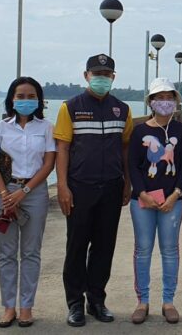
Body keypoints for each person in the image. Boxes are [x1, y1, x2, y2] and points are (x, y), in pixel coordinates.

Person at [54, 53, 134, 327]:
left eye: (106, 74)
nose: (101, 78)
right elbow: (62, 148)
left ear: (113, 77)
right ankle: (74, 303)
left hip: (111, 186)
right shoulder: (71, 107)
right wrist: (62, 186)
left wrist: (127, 181)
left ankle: (96, 300)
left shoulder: (122, 109)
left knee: (104, 247)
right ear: (86, 76)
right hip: (79, 187)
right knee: (76, 246)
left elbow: (125, 147)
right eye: (96, 73)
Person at [0, 76, 56, 328]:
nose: (26, 101)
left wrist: (24, 190)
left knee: (30, 252)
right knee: (6, 253)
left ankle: (26, 307)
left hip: (33, 192)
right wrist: (5, 194)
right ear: (12, 99)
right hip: (4, 191)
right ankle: (8, 307)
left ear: (39, 100)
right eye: (20, 96)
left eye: (31, 96)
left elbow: (49, 163)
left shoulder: (46, 127)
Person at [126, 78, 182, 324]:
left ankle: (168, 301)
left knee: (170, 250)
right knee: (142, 250)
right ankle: (142, 301)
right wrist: (142, 193)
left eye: (169, 97)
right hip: (142, 201)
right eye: (159, 97)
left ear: (175, 101)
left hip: (172, 201)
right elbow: (132, 165)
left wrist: (176, 194)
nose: (164, 102)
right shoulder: (140, 131)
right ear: (151, 102)